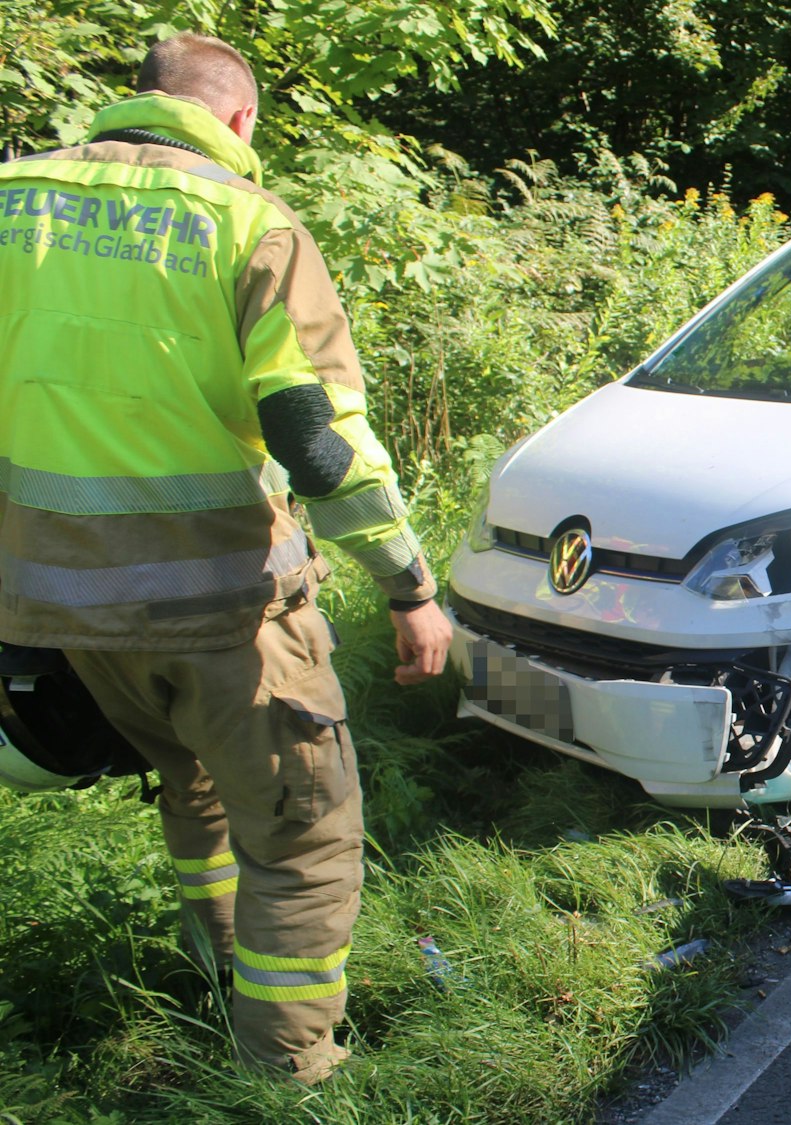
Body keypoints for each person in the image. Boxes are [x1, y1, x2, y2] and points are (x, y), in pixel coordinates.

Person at [0, 33, 453, 1083]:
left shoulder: (12, 196)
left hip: (60, 614)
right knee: (303, 836)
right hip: (227, 614)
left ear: (137, 100)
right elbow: (314, 439)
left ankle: (218, 970)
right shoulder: (248, 223)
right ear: (239, 121)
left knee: (190, 786)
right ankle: (287, 1075)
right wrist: (409, 588)